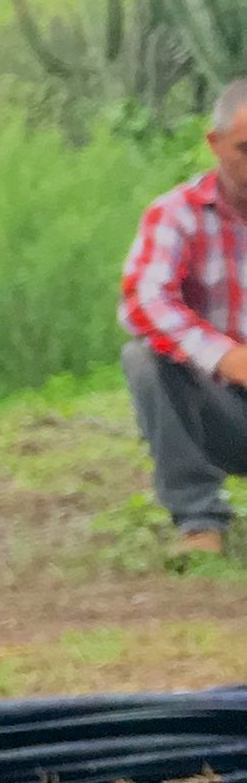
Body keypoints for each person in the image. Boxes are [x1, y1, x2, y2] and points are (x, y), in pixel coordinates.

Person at [119, 79, 247, 554]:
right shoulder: (177, 214)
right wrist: (225, 356)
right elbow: (143, 302)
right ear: (214, 144)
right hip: (221, 406)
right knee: (144, 359)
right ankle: (200, 522)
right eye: (246, 149)